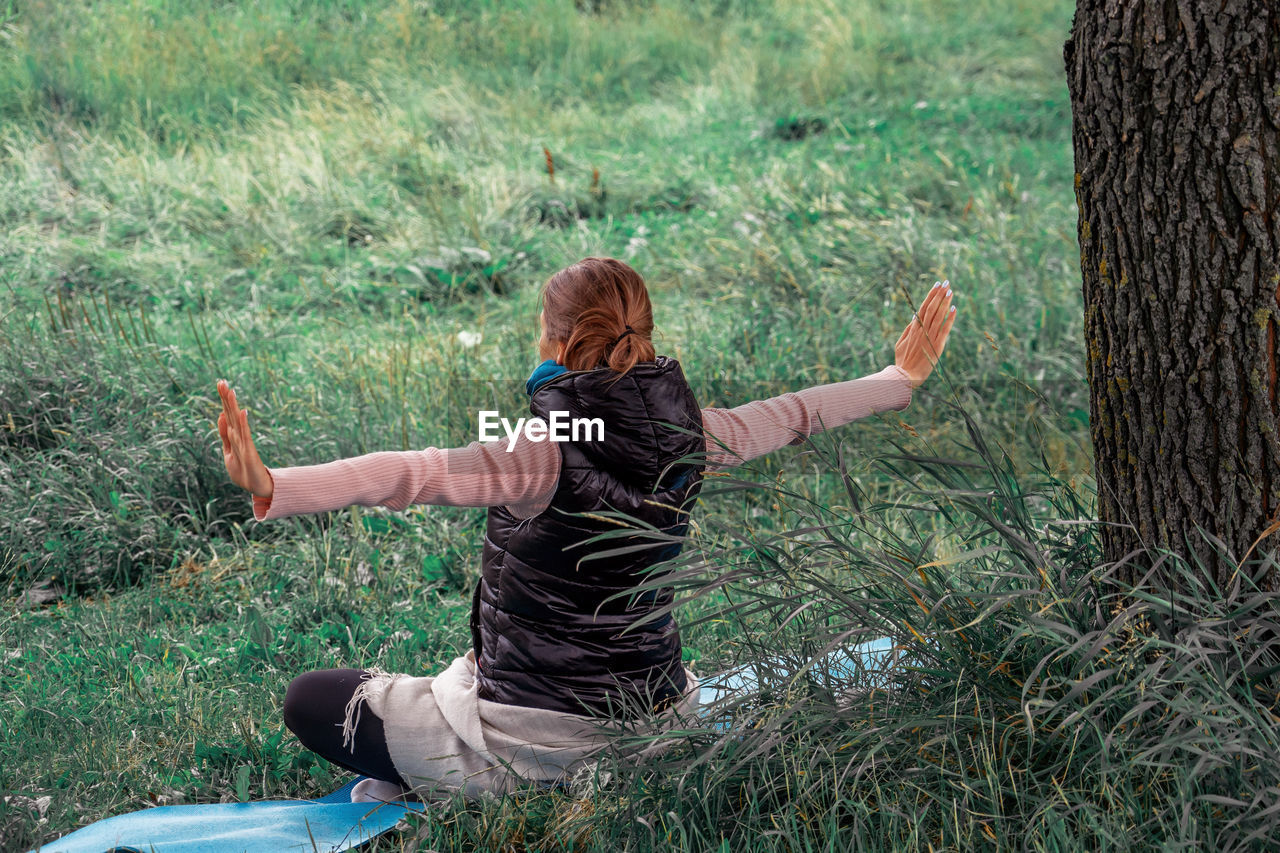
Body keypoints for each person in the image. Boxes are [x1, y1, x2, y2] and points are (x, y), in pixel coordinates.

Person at [216, 257, 956, 801]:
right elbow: (798, 412)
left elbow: (413, 472)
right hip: (659, 718)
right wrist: (899, 380)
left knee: (312, 697)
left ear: (558, 342)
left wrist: (275, 485)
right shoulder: (696, 435)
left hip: (537, 741)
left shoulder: (538, 451)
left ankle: (495, 776)